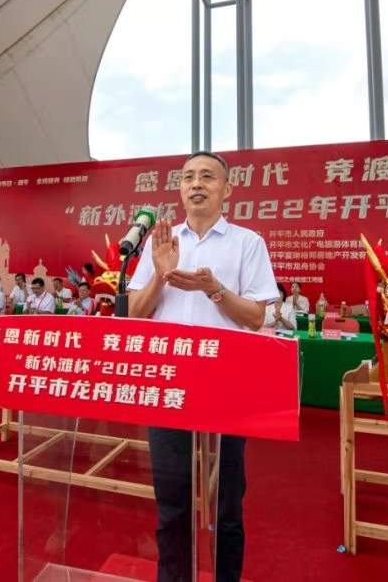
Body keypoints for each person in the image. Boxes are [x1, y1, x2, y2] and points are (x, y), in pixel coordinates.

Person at [128, 151, 277, 582]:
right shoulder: (161, 241)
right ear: (180, 189)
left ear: (227, 190)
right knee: (171, 503)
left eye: (207, 177)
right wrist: (160, 274)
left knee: (227, 503)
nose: (196, 184)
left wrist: (215, 289)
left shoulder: (247, 243)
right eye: (188, 177)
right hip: (168, 383)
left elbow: (257, 317)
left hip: (226, 384)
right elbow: (135, 313)